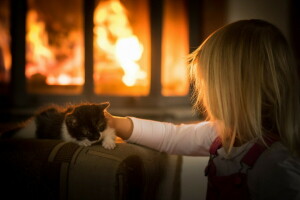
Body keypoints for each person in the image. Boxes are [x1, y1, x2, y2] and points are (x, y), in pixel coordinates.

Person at [105, 19, 300, 199]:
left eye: (205, 84)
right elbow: (170, 137)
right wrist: (115, 123)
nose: (202, 94)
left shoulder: (275, 165)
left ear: (231, 91)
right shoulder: (221, 135)